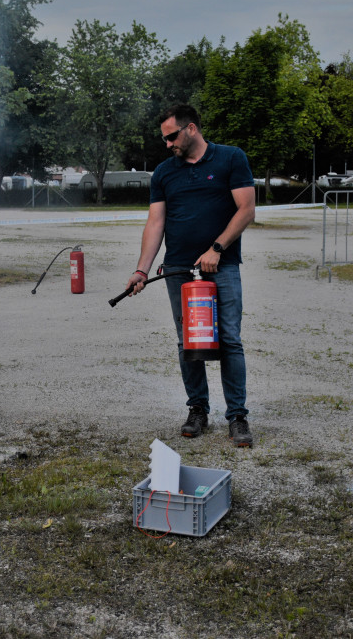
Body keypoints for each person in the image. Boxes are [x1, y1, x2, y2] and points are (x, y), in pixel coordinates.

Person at [125, 103, 256, 447]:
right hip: (179, 270)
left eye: (171, 137)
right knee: (189, 342)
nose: (167, 144)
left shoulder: (231, 158)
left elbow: (247, 209)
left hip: (222, 266)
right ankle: (198, 409)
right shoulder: (164, 173)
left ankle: (238, 417)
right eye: (164, 139)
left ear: (191, 128)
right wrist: (141, 269)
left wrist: (217, 248)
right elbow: (156, 223)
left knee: (229, 340)